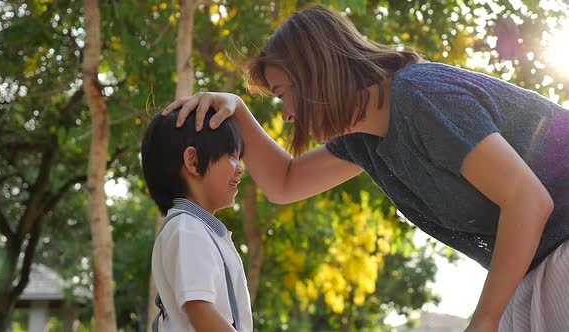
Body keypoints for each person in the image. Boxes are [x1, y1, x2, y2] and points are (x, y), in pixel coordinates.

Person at [162, 4, 569, 331]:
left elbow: (528, 200)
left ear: (316, 73)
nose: (286, 115)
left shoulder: (420, 96)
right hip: (535, 271)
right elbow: (284, 183)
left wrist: (485, 319)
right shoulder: (364, 141)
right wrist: (237, 109)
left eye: (284, 94)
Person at [141, 108, 252, 332]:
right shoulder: (188, 229)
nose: (240, 169)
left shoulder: (196, 229)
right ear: (193, 161)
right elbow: (200, 310)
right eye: (232, 155)